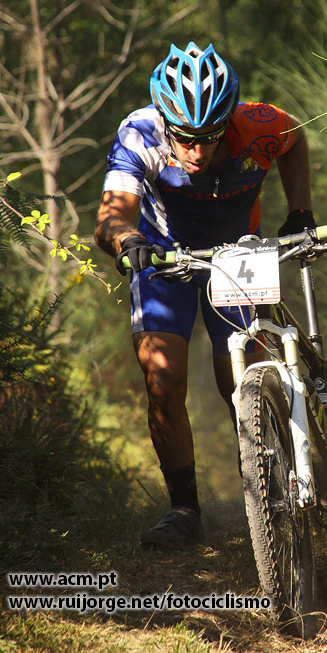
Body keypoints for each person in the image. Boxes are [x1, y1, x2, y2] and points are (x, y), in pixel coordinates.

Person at [94, 41, 315, 549]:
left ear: (228, 122)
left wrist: (300, 210)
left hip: (236, 256)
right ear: (166, 123)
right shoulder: (140, 132)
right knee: (162, 378)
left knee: (243, 381)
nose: (197, 152)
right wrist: (127, 240)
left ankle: (269, 491)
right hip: (164, 258)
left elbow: (296, 140)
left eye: (210, 138)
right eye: (186, 139)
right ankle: (184, 510)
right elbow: (111, 215)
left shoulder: (260, 124)